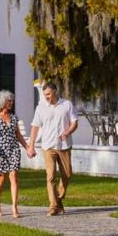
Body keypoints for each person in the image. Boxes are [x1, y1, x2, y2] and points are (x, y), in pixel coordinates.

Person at [27, 81, 78, 216]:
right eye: (45, 95)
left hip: (64, 146)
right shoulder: (41, 107)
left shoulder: (66, 105)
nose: (47, 97)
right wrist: (31, 146)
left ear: (55, 91)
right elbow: (35, 127)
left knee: (67, 175)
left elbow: (74, 123)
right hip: (48, 146)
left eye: (48, 94)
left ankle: (58, 199)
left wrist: (67, 132)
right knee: (50, 177)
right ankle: (53, 206)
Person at [0, 89, 29, 218]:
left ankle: (14, 207)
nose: (11, 103)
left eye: (12, 100)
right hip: (1, 151)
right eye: (9, 101)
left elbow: (18, 135)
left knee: (14, 177)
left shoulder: (14, 117)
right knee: (1, 179)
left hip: (13, 150)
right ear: (2, 102)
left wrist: (27, 147)